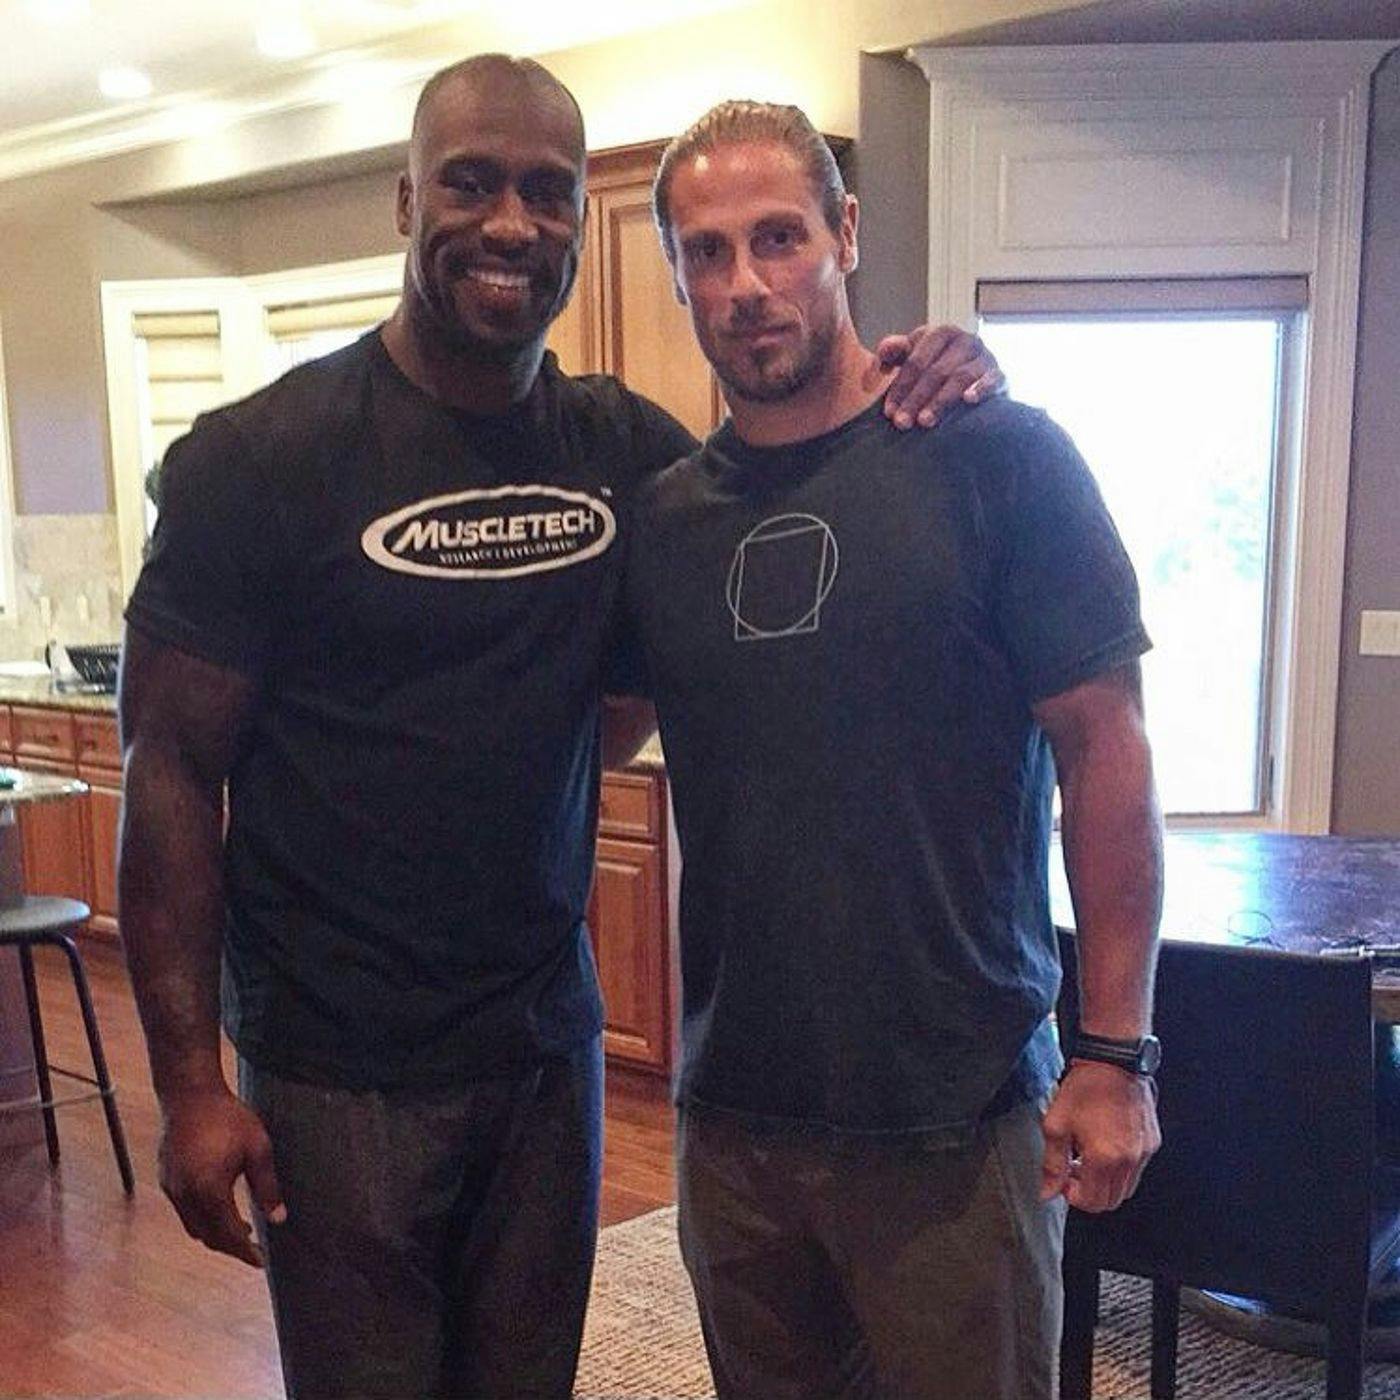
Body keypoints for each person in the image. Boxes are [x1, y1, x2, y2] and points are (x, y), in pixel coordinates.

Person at [116, 55, 1002, 1400]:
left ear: (582, 226)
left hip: (542, 1050)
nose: (511, 223)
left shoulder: (624, 452)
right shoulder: (259, 461)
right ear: (407, 201)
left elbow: (778, 507)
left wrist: (937, 377)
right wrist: (190, 1084)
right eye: (471, 184)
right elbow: (172, 770)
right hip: (336, 1072)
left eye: (546, 193)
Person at [620, 100, 1165, 1400]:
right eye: (706, 252)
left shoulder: (998, 460)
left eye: (778, 237)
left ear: (845, 233)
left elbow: (1106, 751)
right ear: (676, 276)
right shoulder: (665, 524)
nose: (745, 284)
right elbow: (578, 736)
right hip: (735, 1122)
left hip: (957, 1119)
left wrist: (1114, 1054)